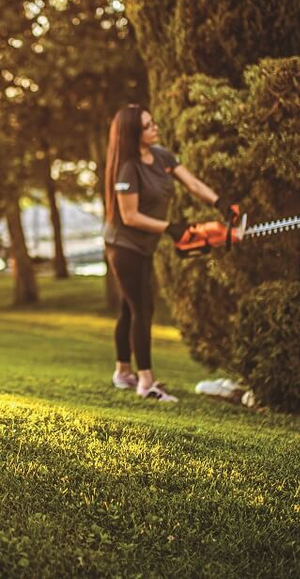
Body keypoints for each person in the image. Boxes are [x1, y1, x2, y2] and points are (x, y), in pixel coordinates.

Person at [102, 104, 232, 402]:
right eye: (148, 126)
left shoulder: (161, 156)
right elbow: (130, 216)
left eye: (153, 122)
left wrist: (221, 202)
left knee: (128, 308)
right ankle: (146, 382)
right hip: (124, 246)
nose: (155, 127)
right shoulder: (128, 168)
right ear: (134, 133)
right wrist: (171, 228)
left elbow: (193, 183)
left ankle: (123, 373)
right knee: (142, 309)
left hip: (144, 246)